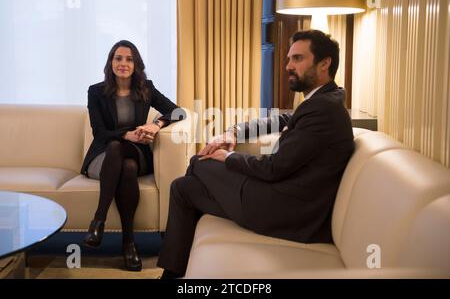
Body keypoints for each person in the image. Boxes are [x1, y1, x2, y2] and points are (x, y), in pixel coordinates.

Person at [156, 30, 355, 278]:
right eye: (289, 59)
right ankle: (171, 274)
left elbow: (273, 168)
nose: (288, 66)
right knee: (183, 188)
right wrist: (234, 132)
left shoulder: (324, 110)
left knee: (199, 162)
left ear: (325, 63)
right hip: (280, 197)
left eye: (298, 59)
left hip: (285, 212)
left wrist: (228, 157)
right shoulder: (323, 101)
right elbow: (283, 119)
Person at [81, 40, 182, 271]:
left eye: (129, 59)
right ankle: (129, 243)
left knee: (126, 158)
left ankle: (99, 221)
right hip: (104, 156)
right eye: (118, 58)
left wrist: (157, 124)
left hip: (138, 155)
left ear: (136, 64)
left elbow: (178, 111)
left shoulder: (146, 88)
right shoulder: (96, 91)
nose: (123, 63)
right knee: (123, 162)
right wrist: (127, 135)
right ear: (111, 62)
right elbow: (100, 132)